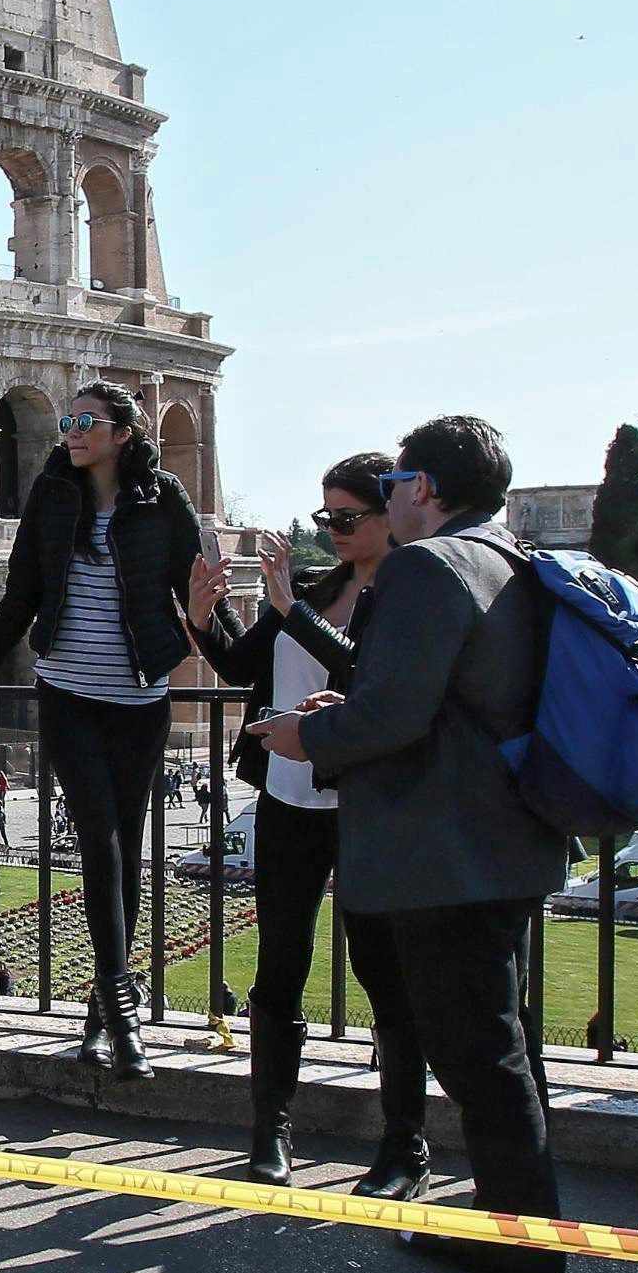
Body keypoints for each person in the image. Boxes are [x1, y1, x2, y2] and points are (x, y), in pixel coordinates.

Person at [257, 415, 573, 1273]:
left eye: (396, 480)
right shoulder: (498, 555)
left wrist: (303, 734)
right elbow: (431, 695)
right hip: (494, 844)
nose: (388, 494)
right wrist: (349, 705)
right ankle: (503, 1240)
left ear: (424, 489)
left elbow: (391, 716)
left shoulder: (427, 567)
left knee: (489, 1068)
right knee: (495, 1061)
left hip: (448, 856)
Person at [0, 382, 222, 1080]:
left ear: (124, 432)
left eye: (84, 421)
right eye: (66, 420)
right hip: (66, 690)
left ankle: (99, 1013)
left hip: (140, 697)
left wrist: (236, 650)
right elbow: (22, 589)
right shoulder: (52, 492)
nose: (70, 431)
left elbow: (198, 590)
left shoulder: (163, 499)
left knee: (126, 852)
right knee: (98, 841)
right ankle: (124, 1019)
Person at [187, 451, 430, 1196]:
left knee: (382, 972)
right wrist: (206, 613)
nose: (333, 529)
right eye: (326, 516)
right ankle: (271, 1133)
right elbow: (238, 666)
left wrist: (292, 609)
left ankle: (404, 1146)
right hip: (288, 798)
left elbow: (368, 677)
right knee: (279, 965)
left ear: (390, 513)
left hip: (364, 805)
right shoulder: (319, 588)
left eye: (347, 517)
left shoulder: (408, 593)